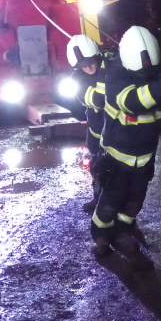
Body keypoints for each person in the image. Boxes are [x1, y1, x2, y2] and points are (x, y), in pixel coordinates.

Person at [90, 25, 161, 256]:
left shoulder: (156, 73)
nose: (146, 75)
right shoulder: (115, 76)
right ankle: (101, 236)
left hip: (145, 157)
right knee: (110, 201)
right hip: (117, 158)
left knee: (134, 201)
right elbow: (132, 101)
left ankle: (123, 231)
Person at [65, 34, 108, 214]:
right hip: (97, 130)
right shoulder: (77, 79)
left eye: (90, 62)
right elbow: (97, 100)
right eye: (83, 65)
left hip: (119, 129)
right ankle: (97, 198)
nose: (89, 67)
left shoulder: (111, 65)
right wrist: (105, 75)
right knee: (98, 167)